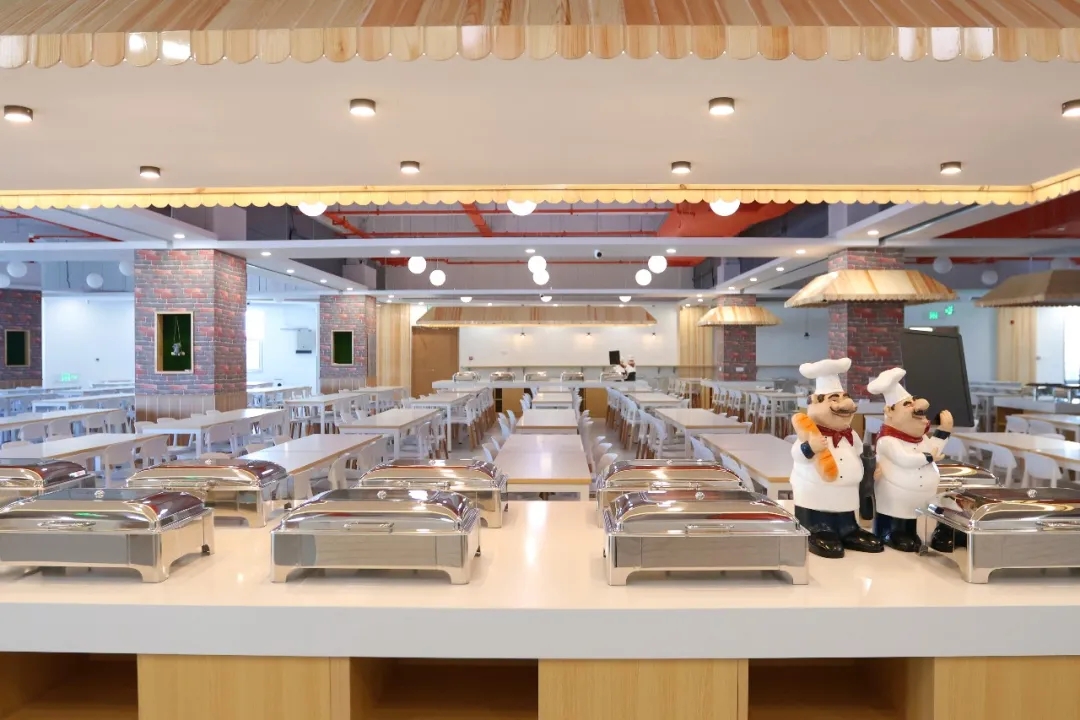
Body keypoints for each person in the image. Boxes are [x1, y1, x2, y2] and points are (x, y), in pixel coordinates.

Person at [789, 357, 884, 559]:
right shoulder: (810, 433)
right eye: (834, 399)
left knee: (845, 514)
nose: (844, 404)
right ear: (816, 403)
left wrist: (871, 467)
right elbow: (797, 454)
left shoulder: (852, 435)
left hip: (848, 495)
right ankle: (817, 530)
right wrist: (809, 447)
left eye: (844, 397)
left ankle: (848, 530)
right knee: (819, 516)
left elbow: (860, 453)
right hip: (816, 496)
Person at [867, 367, 953, 552]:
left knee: (913, 519)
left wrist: (943, 431)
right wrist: (928, 457)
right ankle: (890, 534)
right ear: (890, 411)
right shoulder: (887, 440)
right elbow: (904, 459)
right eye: (907, 405)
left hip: (918, 500)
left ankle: (914, 534)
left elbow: (934, 450)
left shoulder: (920, 438)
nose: (915, 408)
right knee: (897, 517)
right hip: (894, 497)